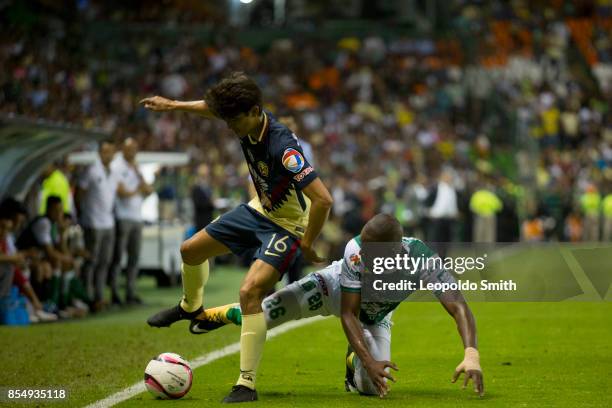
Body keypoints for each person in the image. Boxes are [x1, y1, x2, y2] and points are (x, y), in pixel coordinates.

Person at [140, 72, 333, 403]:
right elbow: (211, 109)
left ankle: (246, 384)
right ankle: (190, 306)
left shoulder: (282, 147)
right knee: (190, 250)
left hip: (287, 226)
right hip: (258, 210)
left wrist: (308, 242)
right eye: (226, 119)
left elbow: (324, 199)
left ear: (255, 111)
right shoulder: (242, 117)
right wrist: (173, 105)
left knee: (249, 292)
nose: (228, 127)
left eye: (233, 121)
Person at [191, 214, 484, 398]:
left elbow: (458, 304)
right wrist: (369, 359)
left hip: (377, 315)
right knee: (263, 315)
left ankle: (351, 363)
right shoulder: (355, 252)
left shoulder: (422, 260)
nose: (363, 252)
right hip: (333, 289)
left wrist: (471, 354)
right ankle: (214, 314)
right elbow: (347, 312)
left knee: (372, 387)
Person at [109, 138, 153, 305]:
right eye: (130, 149)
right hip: (122, 216)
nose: (133, 152)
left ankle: (130, 292)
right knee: (118, 257)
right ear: (123, 149)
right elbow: (121, 192)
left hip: (136, 216)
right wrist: (137, 189)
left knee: (134, 258)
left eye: (135, 148)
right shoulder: (117, 165)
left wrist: (139, 178)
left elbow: (149, 190)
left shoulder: (136, 167)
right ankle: (114, 292)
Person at [76, 141, 119, 311]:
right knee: (91, 261)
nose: (107, 155)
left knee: (104, 262)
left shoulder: (114, 172)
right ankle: (87, 296)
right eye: (104, 152)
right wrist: (83, 213)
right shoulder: (91, 171)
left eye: (110, 152)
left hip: (108, 222)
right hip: (92, 222)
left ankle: (99, 297)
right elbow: (79, 193)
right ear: (99, 153)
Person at [191, 164, 215, 232]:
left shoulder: (208, 187)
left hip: (209, 218)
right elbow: (198, 204)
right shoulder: (196, 188)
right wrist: (210, 202)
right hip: (201, 221)